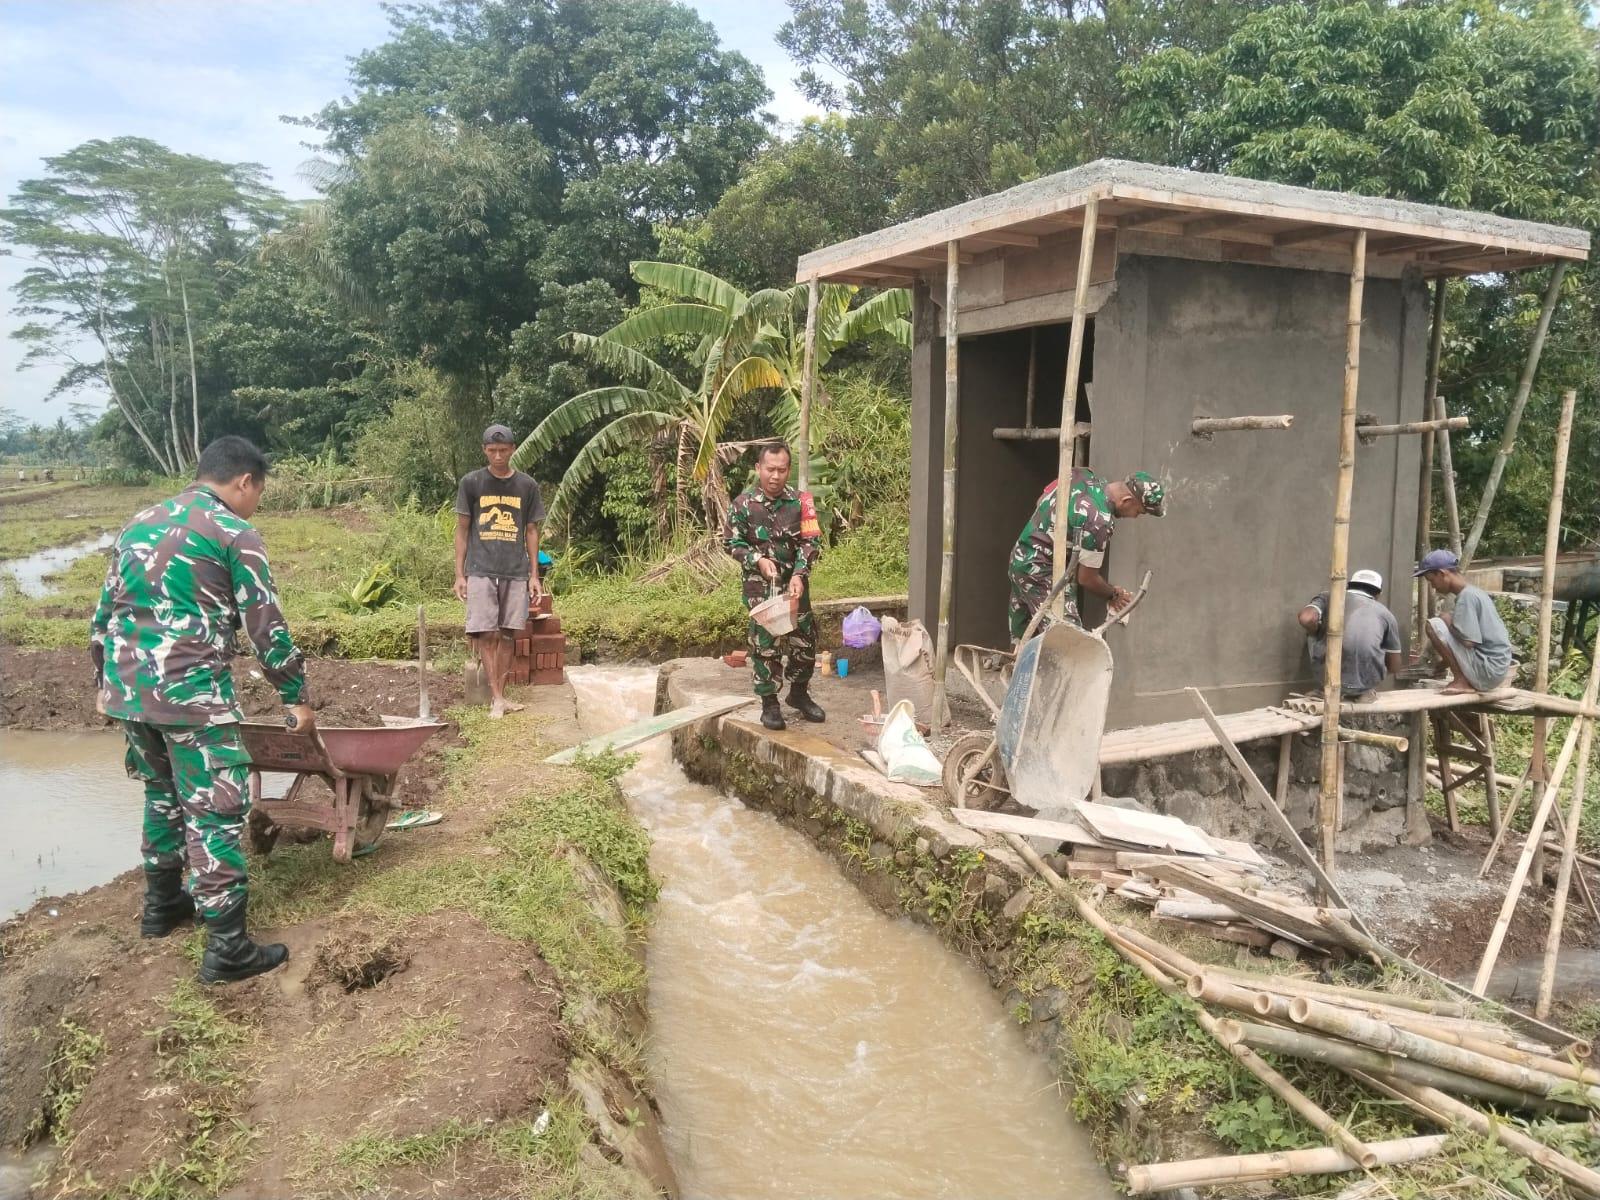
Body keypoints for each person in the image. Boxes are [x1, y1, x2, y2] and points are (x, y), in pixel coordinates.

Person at [90, 436, 310, 985]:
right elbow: (266, 627)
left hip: (129, 691)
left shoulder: (139, 522)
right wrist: (295, 695)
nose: (256, 502)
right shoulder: (234, 531)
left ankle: (163, 907)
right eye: (258, 492)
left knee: (162, 794)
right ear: (245, 482)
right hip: (189, 696)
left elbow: (104, 614)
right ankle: (228, 947)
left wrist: (104, 681)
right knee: (214, 809)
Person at [723, 441, 823, 731]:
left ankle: (799, 694)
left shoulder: (802, 502)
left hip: (794, 587)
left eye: (781, 470)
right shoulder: (742, 504)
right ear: (758, 469)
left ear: (788, 470)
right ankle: (769, 704)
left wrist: (800, 574)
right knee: (765, 646)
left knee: (804, 642)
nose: (775, 476)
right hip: (760, 588)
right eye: (770, 469)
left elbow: (810, 541)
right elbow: (732, 542)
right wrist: (757, 560)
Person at [1007, 468, 1164, 641]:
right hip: (1042, 572)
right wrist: (1113, 594)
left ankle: (1014, 667)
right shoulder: (1100, 522)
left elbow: (1041, 501)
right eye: (1139, 511)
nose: (1134, 517)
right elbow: (1087, 579)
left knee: (1023, 640)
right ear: (1126, 501)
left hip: (1020, 558)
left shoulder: (1081, 474)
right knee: (1070, 641)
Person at [454, 425, 545, 719]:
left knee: (508, 634)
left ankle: (501, 695)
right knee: (486, 633)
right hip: (480, 569)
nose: (497, 456)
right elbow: (462, 530)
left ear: (513, 449)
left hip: (515, 571)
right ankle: (496, 698)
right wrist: (459, 574)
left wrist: (534, 575)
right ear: (484, 450)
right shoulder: (472, 483)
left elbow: (531, 531)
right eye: (492, 451)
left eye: (503, 450)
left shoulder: (526, 486)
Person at [1415, 549, 1515, 694]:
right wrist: (1444, 664)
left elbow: (1468, 642)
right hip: (1496, 671)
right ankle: (1462, 678)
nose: (1433, 586)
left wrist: (1447, 621)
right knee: (1443, 622)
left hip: (1488, 671)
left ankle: (1461, 681)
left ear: (1442, 574)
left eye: (1432, 580)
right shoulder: (1475, 592)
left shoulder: (1466, 597)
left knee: (1434, 624)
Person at [1298, 568, 1403, 702]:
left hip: (1330, 680)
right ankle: (1364, 691)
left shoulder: (1328, 597)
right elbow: (1395, 666)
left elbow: (1306, 619)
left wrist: (1317, 632)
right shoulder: (1386, 614)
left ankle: (1324, 687)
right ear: (1378, 594)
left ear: (1347, 586)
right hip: (1364, 685)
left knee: (1315, 631)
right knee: (1379, 645)